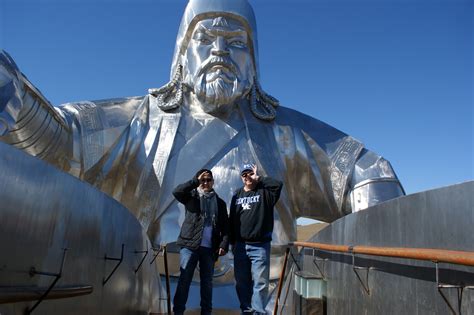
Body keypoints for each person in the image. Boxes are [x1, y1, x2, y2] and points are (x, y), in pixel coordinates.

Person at [0, 0, 404, 299]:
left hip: (270, 298)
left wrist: (379, 272)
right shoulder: (141, 122)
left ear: (254, 59)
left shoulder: (283, 133)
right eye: (205, 37)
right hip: (153, 295)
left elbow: (368, 169)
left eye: (234, 41)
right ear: (181, 53)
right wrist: (15, 94)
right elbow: (61, 142)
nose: (219, 51)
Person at [172, 169, 229, 315]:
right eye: (202, 180)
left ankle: (206, 312)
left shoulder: (220, 203)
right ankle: (178, 312)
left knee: (207, 284)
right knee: (184, 280)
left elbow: (225, 227)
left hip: (209, 249)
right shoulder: (192, 196)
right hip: (189, 245)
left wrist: (223, 244)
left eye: (208, 180)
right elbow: (177, 192)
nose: (205, 183)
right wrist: (194, 181)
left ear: (213, 181)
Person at [229, 163, 283, 314]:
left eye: (250, 174)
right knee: (241, 282)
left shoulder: (265, 193)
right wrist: (232, 242)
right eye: (245, 174)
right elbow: (232, 220)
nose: (248, 177)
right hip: (240, 246)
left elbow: (278, 185)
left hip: (260, 246)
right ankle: (246, 310)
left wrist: (259, 178)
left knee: (260, 282)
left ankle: (258, 311)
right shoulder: (237, 195)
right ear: (241, 177)